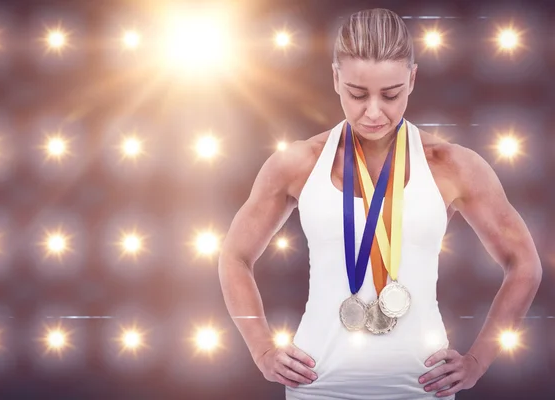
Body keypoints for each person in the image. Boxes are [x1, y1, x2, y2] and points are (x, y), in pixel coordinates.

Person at [218, 8, 542, 400]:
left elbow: (524, 263)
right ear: (336, 78)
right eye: (357, 94)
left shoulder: (454, 165)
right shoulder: (298, 163)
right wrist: (262, 349)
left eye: (391, 94)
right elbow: (234, 255)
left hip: (422, 387)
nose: (373, 112)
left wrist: (479, 359)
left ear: (412, 79)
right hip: (318, 387)